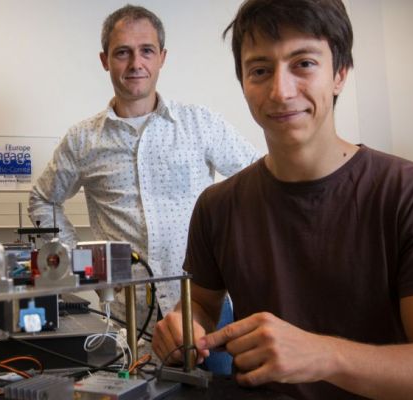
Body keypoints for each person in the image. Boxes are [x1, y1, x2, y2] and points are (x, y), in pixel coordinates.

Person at [151, 0, 413, 398]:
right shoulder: (217, 206)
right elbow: (203, 305)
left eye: (303, 64)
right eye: (260, 70)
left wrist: (322, 355)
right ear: (243, 83)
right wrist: (186, 325)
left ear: (340, 73)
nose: (281, 90)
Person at [28, 4, 259, 357]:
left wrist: (234, 257)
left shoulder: (200, 124)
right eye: (123, 52)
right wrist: (77, 262)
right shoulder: (82, 140)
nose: (136, 63)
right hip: (126, 322)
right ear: (105, 60)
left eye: (146, 51)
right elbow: (43, 199)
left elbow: (258, 181)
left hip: (206, 314)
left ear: (162, 57)